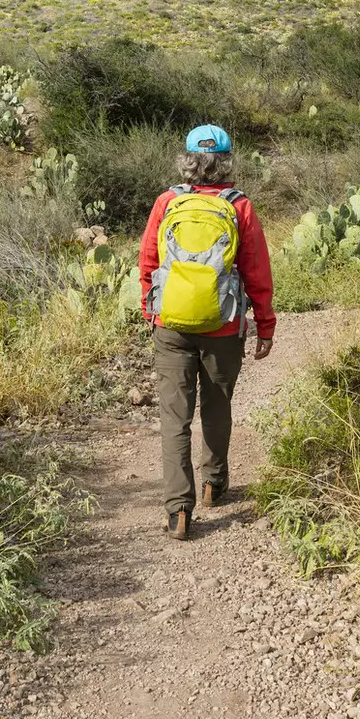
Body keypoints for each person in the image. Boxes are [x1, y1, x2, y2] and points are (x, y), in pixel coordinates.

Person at [138, 124, 276, 540]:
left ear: (188, 160)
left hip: (172, 325)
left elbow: (148, 262)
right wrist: (264, 326)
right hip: (224, 323)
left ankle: (179, 509)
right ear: (226, 160)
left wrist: (153, 312)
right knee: (216, 406)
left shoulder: (167, 202)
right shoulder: (240, 207)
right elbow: (256, 272)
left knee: (174, 418)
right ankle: (214, 483)